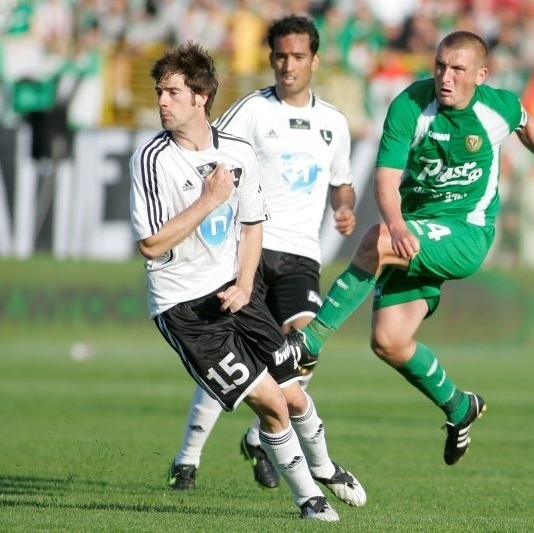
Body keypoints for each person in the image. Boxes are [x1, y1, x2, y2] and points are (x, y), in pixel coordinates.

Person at [290, 30, 534, 465]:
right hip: (417, 227)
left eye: (458, 69)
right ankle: (460, 408)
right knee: (389, 341)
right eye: (440, 65)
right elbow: (386, 181)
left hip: (466, 232)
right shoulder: (410, 105)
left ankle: (309, 343)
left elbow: (525, 121)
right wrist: (400, 223)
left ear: (481, 74)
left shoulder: (494, 107)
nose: (445, 76)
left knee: (377, 241)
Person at [129, 42, 363, 522]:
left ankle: (326, 469)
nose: (162, 101)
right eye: (159, 92)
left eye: (172, 92)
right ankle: (308, 502)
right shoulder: (152, 159)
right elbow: (151, 245)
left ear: (202, 97)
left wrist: (244, 283)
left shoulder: (237, 151)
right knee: (273, 404)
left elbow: (253, 223)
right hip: (185, 309)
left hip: (236, 294)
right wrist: (209, 200)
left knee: (295, 392)